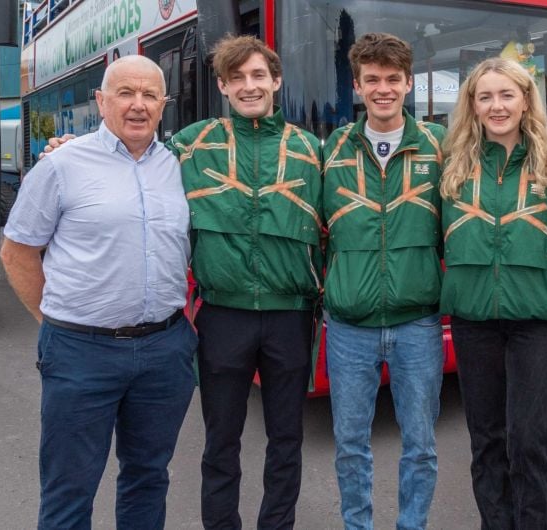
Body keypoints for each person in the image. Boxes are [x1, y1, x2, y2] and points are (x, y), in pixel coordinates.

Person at [1, 55, 196, 529]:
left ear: (164, 104)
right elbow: (17, 252)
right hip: (79, 351)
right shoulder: (62, 165)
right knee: (70, 488)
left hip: (164, 351)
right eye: (125, 93)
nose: (137, 105)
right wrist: (57, 325)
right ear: (101, 101)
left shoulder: (177, 165)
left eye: (150, 95)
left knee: (148, 477)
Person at [169, 36, 323, 529]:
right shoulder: (190, 145)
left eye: (258, 76)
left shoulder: (311, 151)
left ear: (276, 81)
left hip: (290, 317)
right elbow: (128, 159)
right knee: (220, 443)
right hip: (222, 316)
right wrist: (70, 147)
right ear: (222, 86)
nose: (249, 86)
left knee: (286, 439)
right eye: (237, 78)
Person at [439, 57, 547, 529]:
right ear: (472, 106)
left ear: (525, 100)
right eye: (485, 96)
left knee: (531, 439)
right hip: (474, 320)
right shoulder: (451, 163)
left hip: (536, 321)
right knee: (487, 438)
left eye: (507, 94)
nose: (497, 106)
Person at [321, 33, 445, 529]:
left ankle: (411, 524)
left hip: (418, 322)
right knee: (350, 445)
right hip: (350, 326)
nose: (383, 89)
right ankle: (358, 525)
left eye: (393, 79)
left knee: (420, 445)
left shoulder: (439, 147)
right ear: (357, 85)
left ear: (409, 82)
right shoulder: (331, 149)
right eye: (372, 79)